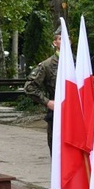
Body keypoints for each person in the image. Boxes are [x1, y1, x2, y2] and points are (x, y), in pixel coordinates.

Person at [24, 27, 61, 156]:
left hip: (76, 115)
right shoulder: (48, 65)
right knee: (57, 154)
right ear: (55, 43)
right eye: (61, 39)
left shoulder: (77, 63)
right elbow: (30, 87)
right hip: (57, 115)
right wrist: (47, 102)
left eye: (67, 39)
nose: (64, 42)